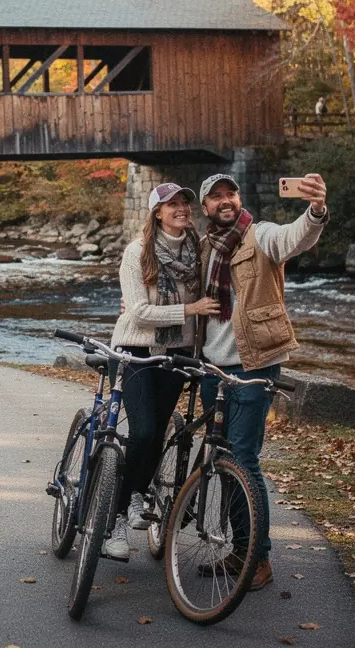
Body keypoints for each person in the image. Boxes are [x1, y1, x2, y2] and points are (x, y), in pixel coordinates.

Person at [196, 171, 328, 590]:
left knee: (243, 458)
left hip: (254, 365)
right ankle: (238, 549)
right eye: (216, 196)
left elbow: (296, 237)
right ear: (205, 208)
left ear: (239, 198)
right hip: (211, 366)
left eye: (230, 193)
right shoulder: (203, 248)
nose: (225, 201)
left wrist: (317, 210)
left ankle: (258, 558)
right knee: (220, 456)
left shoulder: (260, 235)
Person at [102, 182, 221, 562]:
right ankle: (115, 521)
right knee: (145, 430)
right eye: (172, 204)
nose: (181, 209)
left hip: (177, 351)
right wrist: (190, 310)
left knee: (160, 434)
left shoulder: (198, 252)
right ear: (157, 212)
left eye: (185, 203)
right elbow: (137, 312)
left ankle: (138, 494)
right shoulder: (137, 253)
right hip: (136, 349)